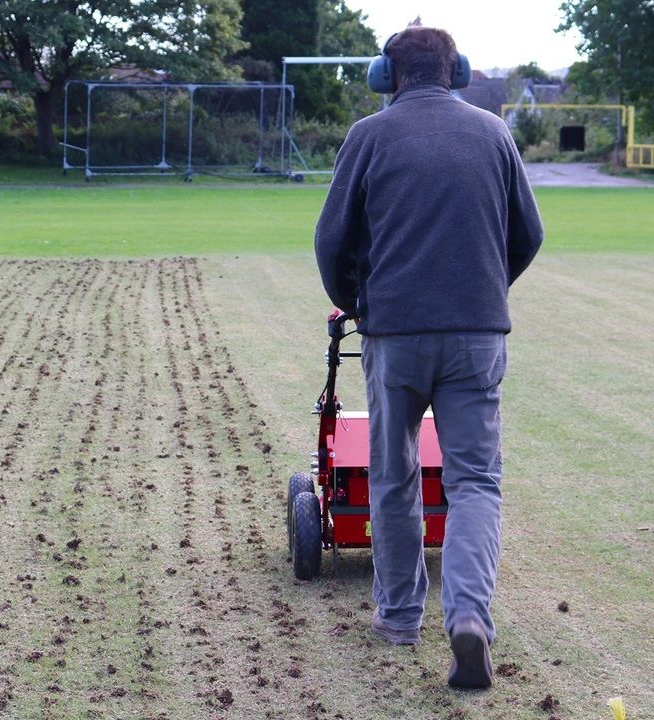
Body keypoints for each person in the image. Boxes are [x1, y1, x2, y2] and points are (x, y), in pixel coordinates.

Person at [314, 25, 543, 689]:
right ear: (457, 71)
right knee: (475, 482)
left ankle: (397, 617)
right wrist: (486, 290)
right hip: (477, 336)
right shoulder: (495, 134)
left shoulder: (367, 136)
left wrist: (355, 300)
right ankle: (468, 617)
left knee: (393, 476)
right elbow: (528, 234)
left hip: (394, 336)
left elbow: (331, 242)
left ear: (387, 75)